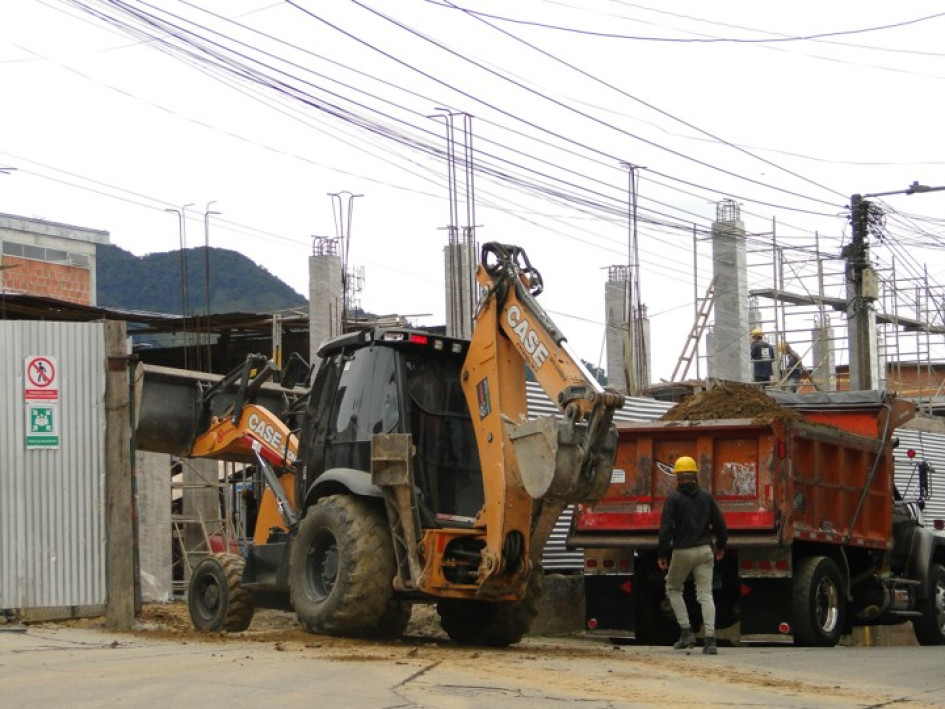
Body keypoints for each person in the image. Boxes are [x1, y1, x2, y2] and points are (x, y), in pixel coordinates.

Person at [658, 456, 728, 655]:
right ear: (696, 475)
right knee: (705, 594)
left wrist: (662, 553)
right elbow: (721, 525)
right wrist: (721, 545)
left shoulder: (673, 498)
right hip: (705, 550)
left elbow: (666, 529)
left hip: (682, 551)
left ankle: (686, 632)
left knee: (673, 588)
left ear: (677, 477)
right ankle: (710, 640)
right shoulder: (706, 496)